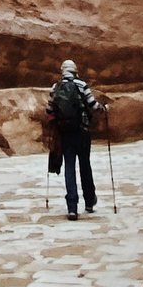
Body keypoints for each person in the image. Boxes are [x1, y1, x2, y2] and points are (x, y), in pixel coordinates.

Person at [48, 59, 102, 218]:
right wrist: (103, 109)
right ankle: (89, 201)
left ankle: (72, 207)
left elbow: (49, 109)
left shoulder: (56, 87)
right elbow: (93, 105)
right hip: (82, 131)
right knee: (85, 165)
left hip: (64, 133)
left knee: (69, 167)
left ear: (62, 71)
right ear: (75, 70)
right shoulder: (81, 85)